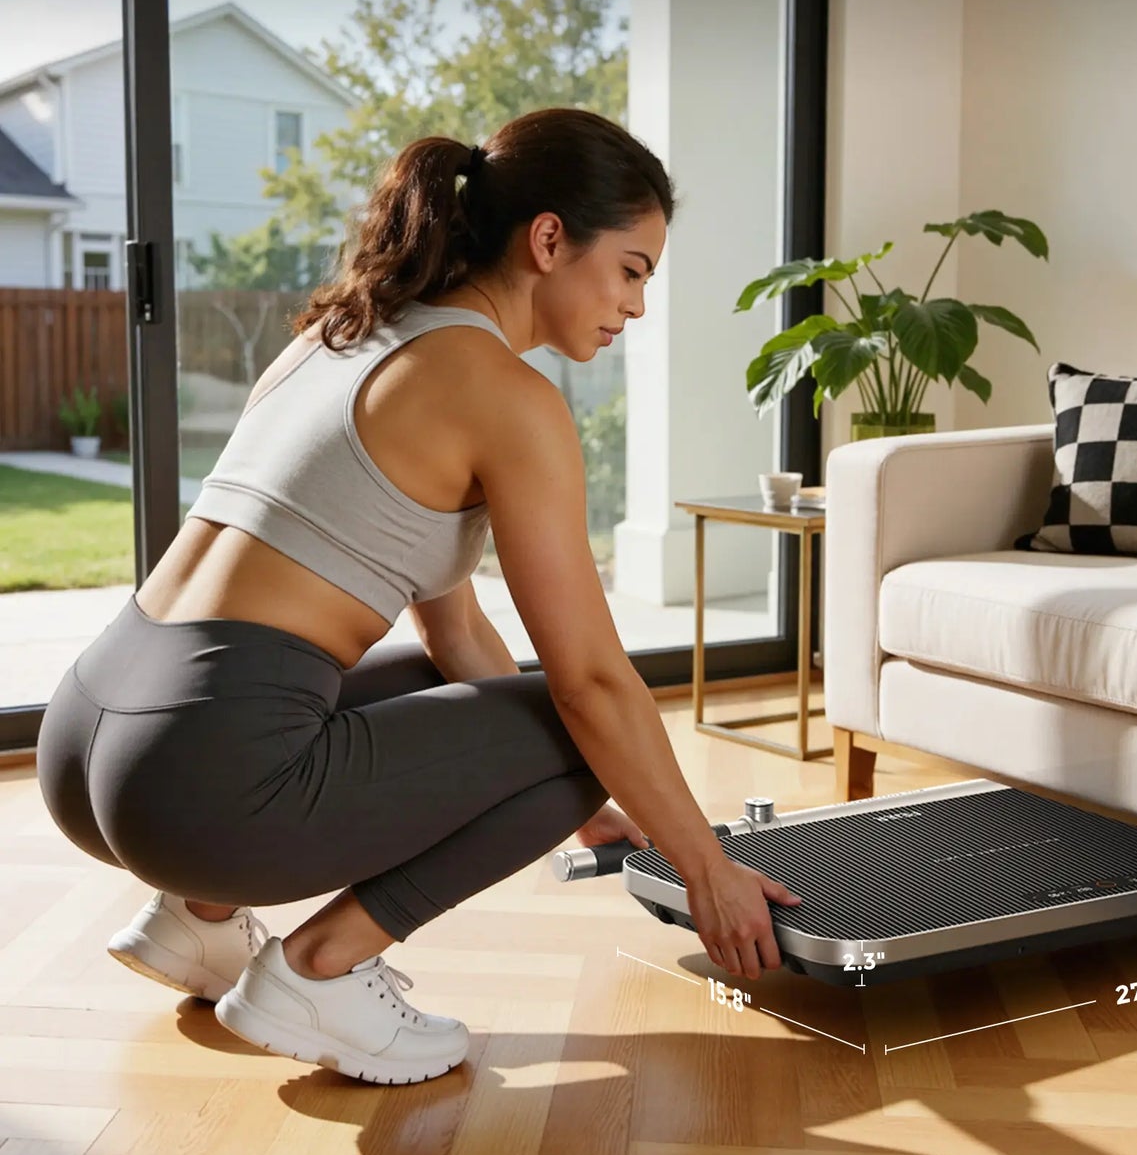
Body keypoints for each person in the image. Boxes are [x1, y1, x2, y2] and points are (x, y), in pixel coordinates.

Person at [34, 107, 802, 1087]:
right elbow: (592, 684)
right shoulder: (506, 396)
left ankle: (199, 914)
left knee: (514, 716)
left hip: (92, 734)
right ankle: (317, 969)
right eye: (632, 270)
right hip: (196, 785)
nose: (636, 307)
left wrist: (567, 801)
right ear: (549, 238)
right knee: (578, 720)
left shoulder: (346, 333)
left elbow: (452, 630)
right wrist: (706, 864)